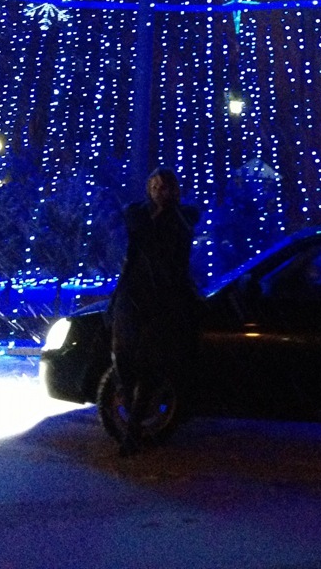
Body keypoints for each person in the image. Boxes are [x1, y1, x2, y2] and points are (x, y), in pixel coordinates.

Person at [109, 166, 199, 455]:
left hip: (162, 299)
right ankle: (127, 396)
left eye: (166, 187)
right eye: (155, 186)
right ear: (149, 188)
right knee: (123, 356)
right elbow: (138, 233)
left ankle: (132, 432)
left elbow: (180, 251)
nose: (160, 191)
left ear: (175, 190)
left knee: (149, 364)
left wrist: (170, 210)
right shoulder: (138, 213)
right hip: (133, 294)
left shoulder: (183, 217)